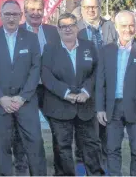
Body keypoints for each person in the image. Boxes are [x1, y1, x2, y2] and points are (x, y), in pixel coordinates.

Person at [0, 0, 47, 176]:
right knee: (2, 148)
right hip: (0, 104)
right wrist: (1, 98)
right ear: (1, 15)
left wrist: (22, 96)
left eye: (15, 14)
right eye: (7, 14)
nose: (11, 18)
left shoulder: (31, 39)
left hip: (25, 103)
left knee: (34, 144)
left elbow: (35, 69)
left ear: (20, 16)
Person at [41, 12, 104, 176]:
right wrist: (66, 93)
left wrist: (86, 91)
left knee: (91, 145)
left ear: (77, 27)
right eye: (63, 26)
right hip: (59, 106)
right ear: (58, 29)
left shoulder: (89, 46)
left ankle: (95, 174)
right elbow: (46, 75)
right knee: (62, 147)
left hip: (86, 106)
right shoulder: (49, 49)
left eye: (71, 25)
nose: (68, 29)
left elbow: (97, 71)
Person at [95, 10, 136, 176]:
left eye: (131, 25)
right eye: (123, 26)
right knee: (112, 149)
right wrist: (100, 108)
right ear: (116, 27)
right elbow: (101, 82)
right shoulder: (106, 50)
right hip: (112, 109)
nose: (127, 29)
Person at [9, 0, 61, 175]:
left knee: (58, 128)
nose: (36, 13)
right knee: (23, 130)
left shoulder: (54, 32)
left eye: (39, 9)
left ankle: (59, 166)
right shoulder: (16, 30)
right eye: (31, 9)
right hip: (25, 90)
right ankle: (21, 167)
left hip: (49, 90)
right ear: (25, 12)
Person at [76, 0, 118, 167]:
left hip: (107, 85)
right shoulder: (75, 28)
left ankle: (104, 163)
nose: (91, 10)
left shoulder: (110, 27)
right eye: (87, 7)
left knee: (105, 126)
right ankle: (81, 162)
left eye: (94, 7)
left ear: (100, 8)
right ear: (82, 9)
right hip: (83, 85)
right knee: (83, 127)